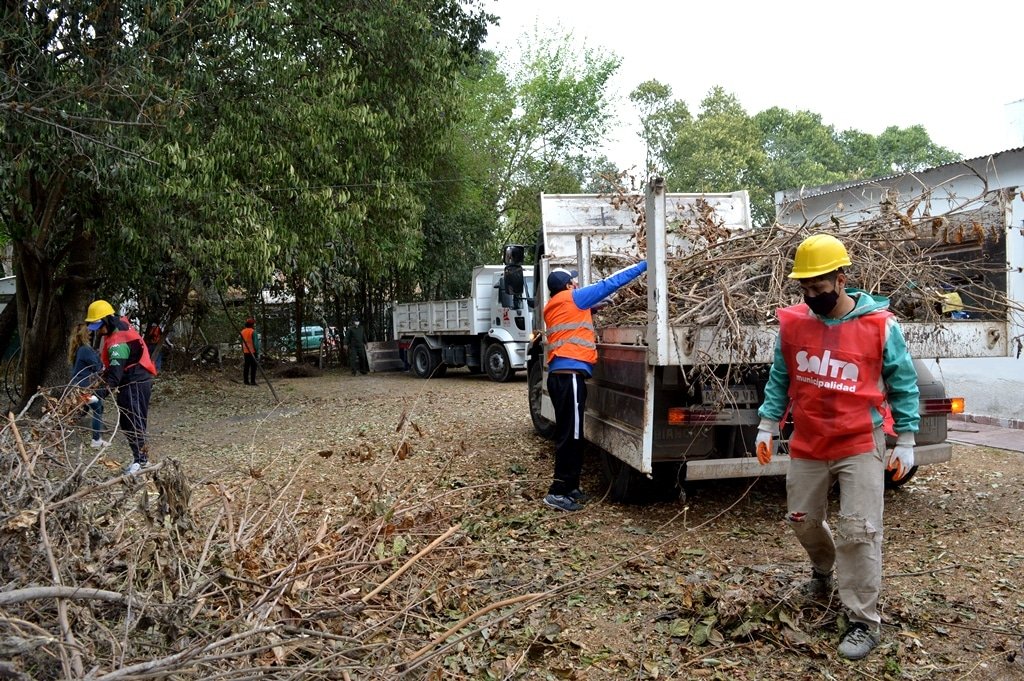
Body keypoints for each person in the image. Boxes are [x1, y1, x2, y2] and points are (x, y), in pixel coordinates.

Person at [755, 234, 919, 660]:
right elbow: (780, 377)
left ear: (842, 279)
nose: (811, 297)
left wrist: (907, 440)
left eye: (819, 288)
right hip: (809, 442)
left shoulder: (880, 325)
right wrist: (767, 425)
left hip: (860, 442)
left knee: (859, 531)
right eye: (805, 290)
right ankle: (822, 568)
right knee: (802, 521)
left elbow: (903, 384)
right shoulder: (793, 324)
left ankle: (863, 621)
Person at [542, 260, 648, 512]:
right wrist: (645, 265)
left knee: (573, 434)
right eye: (573, 280)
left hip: (562, 377)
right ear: (567, 285)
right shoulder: (574, 297)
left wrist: (594, 308)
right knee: (571, 435)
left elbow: (574, 321)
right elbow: (611, 283)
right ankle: (557, 492)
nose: (577, 283)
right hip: (569, 378)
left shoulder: (553, 305)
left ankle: (571, 487)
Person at [84, 299, 159, 475]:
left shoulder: (119, 341)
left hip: (135, 383)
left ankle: (142, 461)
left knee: (134, 422)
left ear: (107, 320)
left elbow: (115, 377)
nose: (100, 332)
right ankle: (139, 459)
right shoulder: (119, 326)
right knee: (128, 422)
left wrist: (98, 396)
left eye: (100, 327)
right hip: (132, 381)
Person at [68, 322, 107, 448]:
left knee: (81, 410)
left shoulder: (78, 348)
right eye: (89, 332)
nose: (91, 333)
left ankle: (63, 429)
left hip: (79, 387)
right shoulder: (85, 349)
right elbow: (98, 366)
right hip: (86, 388)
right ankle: (96, 440)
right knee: (98, 408)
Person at [240, 317, 260, 385]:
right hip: (252, 351)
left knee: (246, 366)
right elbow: (256, 343)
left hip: (245, 351)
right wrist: (257, 351)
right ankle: (252, 381)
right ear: (252, 324)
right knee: (253, 367)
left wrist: (243, 349)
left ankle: (246, 381)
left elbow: (241, 342)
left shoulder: (242, 331)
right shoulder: (253, 332)